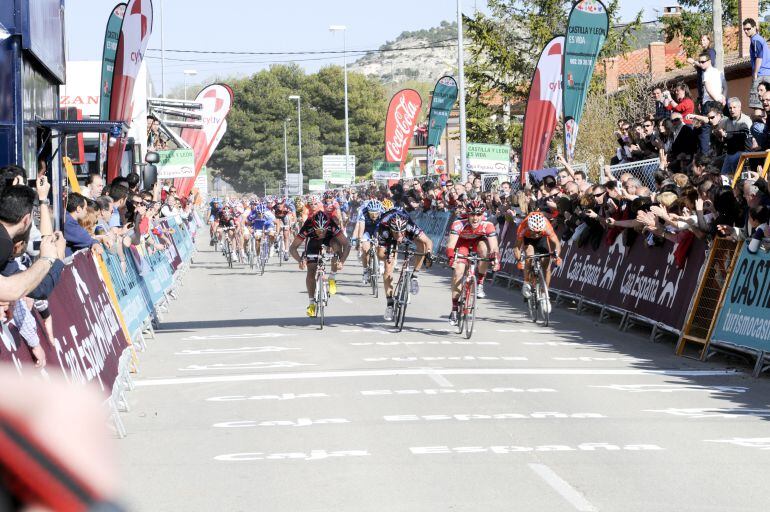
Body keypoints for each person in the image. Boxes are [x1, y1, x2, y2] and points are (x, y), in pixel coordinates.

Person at [444, 199, 500, 326]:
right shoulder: (459, 224)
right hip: (462, 244)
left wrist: (496, 259)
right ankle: (454, 308)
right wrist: (451, 258)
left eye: (478, 215)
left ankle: (479, 282)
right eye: (472, 215)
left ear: (483, 215)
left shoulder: (488, 225)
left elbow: (494, 247)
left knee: (485, 251)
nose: (475, 218)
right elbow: (451, 245)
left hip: (478, 243)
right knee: (458, 272)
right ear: (467, 215)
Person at [289, 211, 350, 318]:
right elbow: (293, 248)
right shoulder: (308, 226)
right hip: (313, 241)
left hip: (329, 239)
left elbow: (347, 244)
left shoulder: (331, 224)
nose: (321, 232)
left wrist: (342, 261)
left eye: (323, 230)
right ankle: (311, 304)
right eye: (319, 230)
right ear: (314, 226)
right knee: (311, 270)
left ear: (327, 226)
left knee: (337, 245)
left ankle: (332, 277)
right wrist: (300, 260)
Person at [376, 209, 433, 322]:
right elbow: (379, 254)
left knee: (422, 245)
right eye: (396, 232)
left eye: (401, 232)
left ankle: (414, 276)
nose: (399, 235)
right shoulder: (384, 229)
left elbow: (428, 241)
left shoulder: (409, 226)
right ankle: (390, 304)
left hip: (404, 223)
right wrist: (387, 256)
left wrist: (429, 254)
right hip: (389, 239)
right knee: (388, 268)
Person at [513, 211, 561, 310]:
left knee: (547, 265)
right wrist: (519, 260)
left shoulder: (546, 226)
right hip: (528, 240)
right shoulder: (523, 226)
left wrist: (556, 256)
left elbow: (556, 243)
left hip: (542, 239)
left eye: (538, 232)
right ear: (529, 226)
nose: (535, 234)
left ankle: (545, 295)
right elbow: (517, 247)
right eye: (533, 231)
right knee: (529, 256)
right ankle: (526, 283)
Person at [351, 199, 385, 284]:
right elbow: (360, 227)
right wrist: (359, 240)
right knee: (365, 249)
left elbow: (383, 228)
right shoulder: (363, 212)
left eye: (376, 213)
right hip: (366, 228)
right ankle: (365, 270)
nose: (374, 216)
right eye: (372, 213)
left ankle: (380, 263)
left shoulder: (382, 212)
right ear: (368, 211)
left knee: (380, 243)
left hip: (377, 228)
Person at [743, 18, 770, 111]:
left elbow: (759, 57)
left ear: (754, 27)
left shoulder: (755, 40)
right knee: (766, 105)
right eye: (744, 29)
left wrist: (755, 73)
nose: (746, 31)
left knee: (757, 106)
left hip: (761, 75)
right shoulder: (760, 39)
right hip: (767, 74)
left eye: (748, 29)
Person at [687, 34, 716, 112]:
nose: (702, 42)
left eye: (704, 40)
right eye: (701, 40)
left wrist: (694, 61)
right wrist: (693, 64)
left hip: (707, 82)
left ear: (709, 41)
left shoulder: (711, 51)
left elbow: (709, 65)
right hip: (700, 82)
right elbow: (700, 68)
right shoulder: (703, 52)